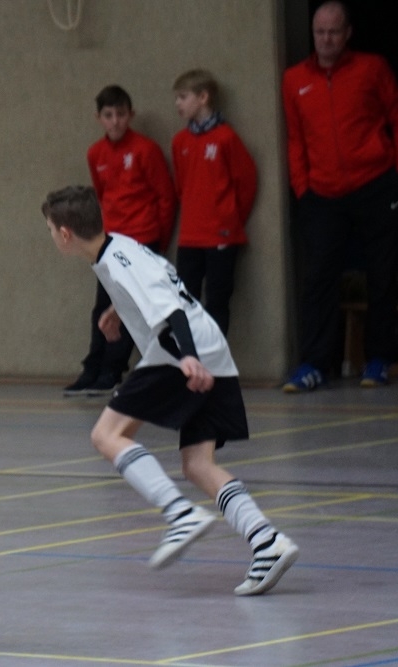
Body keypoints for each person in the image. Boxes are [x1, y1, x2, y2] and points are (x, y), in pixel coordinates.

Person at [42, 185, 299, 596]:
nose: (51, 236)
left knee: (106, 435)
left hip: (178, 354)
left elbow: (172, 310)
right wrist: (119, 309)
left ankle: (180, 513)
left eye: (50, 229)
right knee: (198, 464)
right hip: (213, 350)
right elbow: (163, 283)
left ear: (65, 233)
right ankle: (267, 541)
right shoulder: (120, 247)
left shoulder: (118, 261)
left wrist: (188, 358)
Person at [282, 0, 398, 392]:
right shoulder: (294, 79)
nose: (326, 39)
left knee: (381, 274)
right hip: (322, 194)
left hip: (375, 184)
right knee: (318, 278)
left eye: (334, 32)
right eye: (320, 32)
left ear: (348, 33)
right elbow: (295, 138)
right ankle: (314, 363)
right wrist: (302, 186)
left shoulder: (372, 68)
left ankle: (378, 359)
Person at [66, 85, 176, 396]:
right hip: (110, 243)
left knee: (129, 308)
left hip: (142, 239)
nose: (115, 121)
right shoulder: (95, 154)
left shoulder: (146, 150)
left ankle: (113, 370)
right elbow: (103, 196)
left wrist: (159, 242)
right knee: (103, 306)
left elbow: (165, 197)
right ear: (98, 118)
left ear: (131, 115)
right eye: (108, 115)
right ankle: (92, 367)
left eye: (121, 114)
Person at [171, 69, 257, 335]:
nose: (177, 103)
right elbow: (181, 186)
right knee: (185, 300)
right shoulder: (180, 141)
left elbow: (246, 182)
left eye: (183, 97)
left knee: (218, 300)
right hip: (190, 236)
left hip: (221, 234)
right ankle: (190, 357)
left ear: (203, 97)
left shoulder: (225, 137)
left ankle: (214, 357)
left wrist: (230, 218)